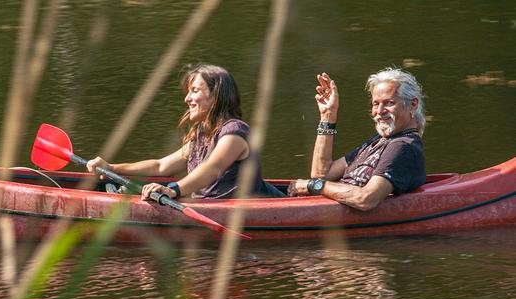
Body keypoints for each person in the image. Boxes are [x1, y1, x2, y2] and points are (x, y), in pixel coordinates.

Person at [86, 63, 285, 200]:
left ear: (215, 96)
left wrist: (173, 189)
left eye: (195, 91)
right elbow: (160, 167)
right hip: (207, 205)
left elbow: (213, 168)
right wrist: (112, 167)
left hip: (241, 212)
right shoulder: (201, 135)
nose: (187, 99)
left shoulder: (234, 133)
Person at [287, 67, 426, 211]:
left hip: (321, 211)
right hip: (315, 206)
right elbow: (322, 174)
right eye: (375, 104)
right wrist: (328, 115)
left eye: (389, 103)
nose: (379, 111)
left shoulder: (403, 147)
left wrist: (313, 186)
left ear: (413, 104)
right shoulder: (379, 140)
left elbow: (365, 199)